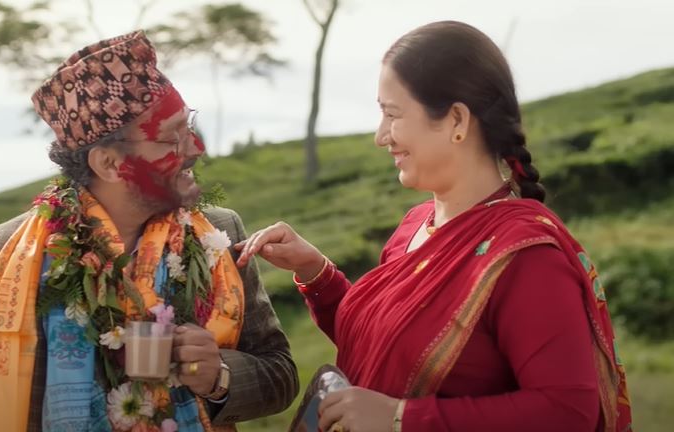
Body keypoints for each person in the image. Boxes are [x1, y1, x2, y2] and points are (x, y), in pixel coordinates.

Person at [235, 21, 631, 432]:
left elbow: (567, 411)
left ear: (456, 120)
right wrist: (315, 272)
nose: (380, 136)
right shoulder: (414, 225)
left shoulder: (526, 258)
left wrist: (400, 418)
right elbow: (387, 346)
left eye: (392, 114)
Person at [0, 30, 298, 432]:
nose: (194, 148)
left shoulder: (219, 232)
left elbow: (280, 376)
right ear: (109, 163)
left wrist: (218, 376)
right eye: (169, 138)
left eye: (188, 126)